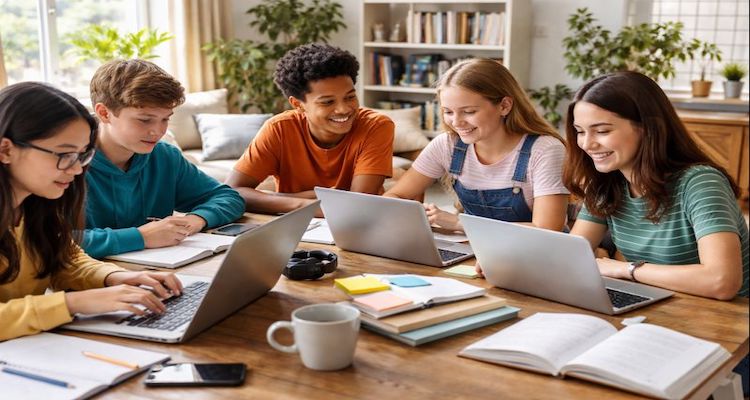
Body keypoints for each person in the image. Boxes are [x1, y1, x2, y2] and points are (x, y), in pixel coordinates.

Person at [0, 82, 182, 341]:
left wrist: (115, 277)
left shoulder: (35, 204)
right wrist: (72, 303)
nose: (76, 170)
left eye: (81, 155)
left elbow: (65, 259)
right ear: (6, 150)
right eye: (64, 154)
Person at [565, 70, 749, 300]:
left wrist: (626, 269)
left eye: (602, 131)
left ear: (647, 128)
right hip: (664, 305)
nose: (587, 144)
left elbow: (722, 281)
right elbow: (570, 258)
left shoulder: (700, 183)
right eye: (580, 132)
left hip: (724, 319)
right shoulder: (606, 183)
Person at [384, 58, 569, 233]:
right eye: (448, 111)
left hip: (537, 257)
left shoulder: (545, 150)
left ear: (504, 106)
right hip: (477, 252)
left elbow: (547, 230)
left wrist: (459, 223)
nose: (456, 122)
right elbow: (393, 197)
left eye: (469, 111)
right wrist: (419, 214)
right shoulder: (448, 145)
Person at [84, 59, 245, 258]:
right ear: (104, 113)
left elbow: (228, 197)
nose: (158, 131)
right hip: (91, 282)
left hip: (158, 273)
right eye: (144, 120)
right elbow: (50, 243)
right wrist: (140, 237)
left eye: (165, 119)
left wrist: (196, 219)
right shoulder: (67, 165)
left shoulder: (164, 156)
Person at [226, 43, 395, 214]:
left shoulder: (376, 126)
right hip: (293, 226)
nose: (344, 109)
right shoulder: (279, 128)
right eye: (328, 102)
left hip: (356, 226)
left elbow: (357, 203)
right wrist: (301, 205)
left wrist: (280, 198)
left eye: (350, 97)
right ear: (298, 104)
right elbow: (232, 192)